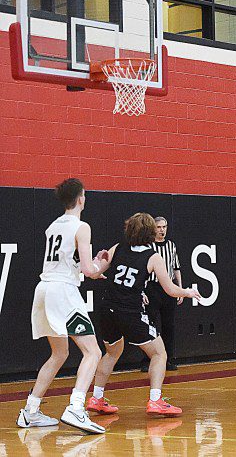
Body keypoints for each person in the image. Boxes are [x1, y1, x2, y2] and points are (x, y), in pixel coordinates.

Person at [86, 213, 201, 417]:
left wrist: (96, 262)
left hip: (108, 309)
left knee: (112, 353)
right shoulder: (153, 257)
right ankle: (156, 400)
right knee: (159, 354)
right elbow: (171, 290)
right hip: (130, 311)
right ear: (150, 233)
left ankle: (96, 398)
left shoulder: (117, 248)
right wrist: (188, 292)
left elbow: (94, 273)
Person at [17, 178, 107, 434]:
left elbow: (70, 265)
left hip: (44, 289)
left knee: (59, 354)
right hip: (62, 292)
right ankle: (76, 408)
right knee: (93, 352)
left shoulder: (53, 226)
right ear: (80, 199)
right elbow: (90, 270)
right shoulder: (82, 226)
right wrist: (100, 266)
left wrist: (86, 267)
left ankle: (30, 411)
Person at [141, 216, 182, 372]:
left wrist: (180, 288)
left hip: (168, 287)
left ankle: (169, 359)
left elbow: (176, 268)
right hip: (152, 287)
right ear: (153, 229)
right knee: (150, 325)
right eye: (159, 227)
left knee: (168, 325)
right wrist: (142, 290)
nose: (162, 230)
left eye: (164, 227)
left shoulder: (171, 245)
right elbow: (142, 270)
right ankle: (147, 360)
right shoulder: (148, 246)